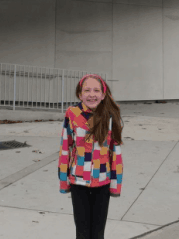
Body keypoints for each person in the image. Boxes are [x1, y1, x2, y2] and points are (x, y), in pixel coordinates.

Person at [58, 74, 123, 239]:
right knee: (82, 232)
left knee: (98, 233)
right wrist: (63, 181)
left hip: (103, 182)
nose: (91, 94)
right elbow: (66, 147)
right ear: (80, 94)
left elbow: (115, 152)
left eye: (96, 90)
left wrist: (116, 184)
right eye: (86, 90)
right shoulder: (72, 113)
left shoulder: (110, 115)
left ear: (103, 94)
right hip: (78, 182)